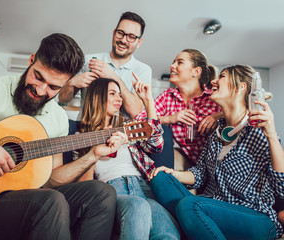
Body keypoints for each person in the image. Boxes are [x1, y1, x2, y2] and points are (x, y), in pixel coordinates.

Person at [0, 33, 122, 240]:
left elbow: (50, 180)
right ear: (31, 60)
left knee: (101, 193)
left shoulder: (58, 119)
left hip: (16, 201)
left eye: (53, 87)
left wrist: (93, 155)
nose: (40, 90)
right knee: (51, 202)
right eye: (38, 76)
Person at [149, 65, 284, 239]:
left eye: (222, 76)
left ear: (240, 87)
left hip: (254, 216)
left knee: (190, 206)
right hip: (212, 208)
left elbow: (282, 187)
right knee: (159, 179)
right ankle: (195, 226)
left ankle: (190, 224)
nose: (213, 81)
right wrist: (172, 173)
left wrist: (272, 135)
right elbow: (200, 174)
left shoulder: (259, 129)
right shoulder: (217, 133)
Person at [77, 75, 180, 240]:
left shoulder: (128, 128)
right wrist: (94, 153)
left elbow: (157, 144)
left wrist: (148, 101)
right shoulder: (82, 136)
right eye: (113, 93)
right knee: (137, 206)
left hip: (144, 188)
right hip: (113, 191)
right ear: (98, 96)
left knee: (167, 234)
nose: (119, 98)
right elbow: (85, 186)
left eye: (119, 94)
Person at [136, 49, 222, 165]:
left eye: (179, 62)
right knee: (161, 129)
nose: (172, 65)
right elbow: (138, 122)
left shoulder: (213, 97)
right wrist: (170, 118)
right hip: (192, 165)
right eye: (173, 62)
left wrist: (219, 116)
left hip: (216, 165)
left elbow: (241, 112)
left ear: (196, 71)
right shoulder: (169, 96)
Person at [58, 11, 151, 118]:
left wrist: (112, 76)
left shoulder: (143, 70)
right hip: (85, 131)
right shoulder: (88, 60)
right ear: (114, 33)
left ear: (139, 42)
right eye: (120, 33)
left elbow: (135, 112)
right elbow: (62, 98)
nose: (123, 40)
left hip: (121, 133)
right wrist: (72, 83)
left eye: (131, 37)